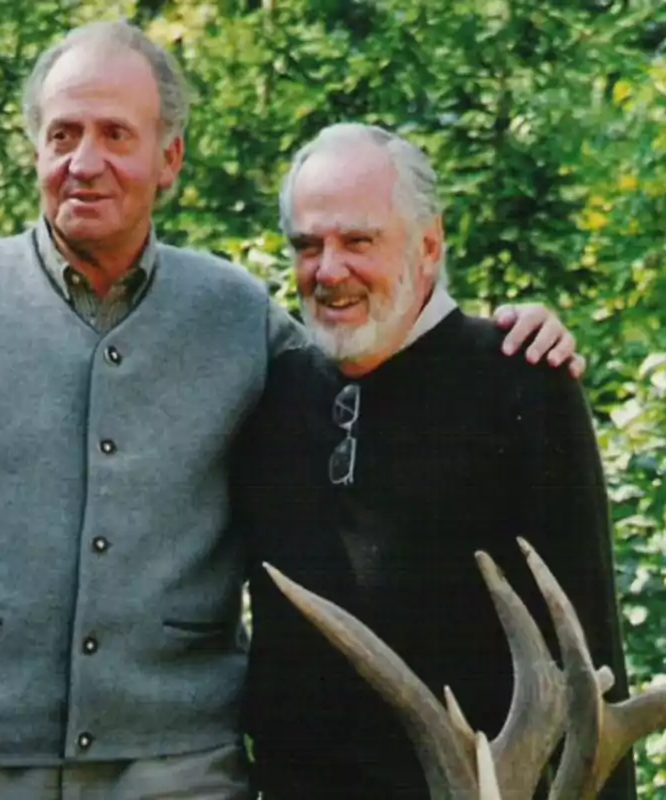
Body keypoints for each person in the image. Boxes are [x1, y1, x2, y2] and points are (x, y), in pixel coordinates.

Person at [0, 23, 579, 800]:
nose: (85, 162)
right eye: (63, 135)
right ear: (36, 152)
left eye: (116, 133)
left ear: (170, 159)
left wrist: (500, 343)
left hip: (180, 773)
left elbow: (372, 358)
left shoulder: (240, 319)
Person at [233, 123, 634, 799]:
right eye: (308, 245)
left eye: (359, 240)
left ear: (428, 245)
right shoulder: (274, 394)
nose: (329, 271)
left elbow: (586, 652)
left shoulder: (521, 383)